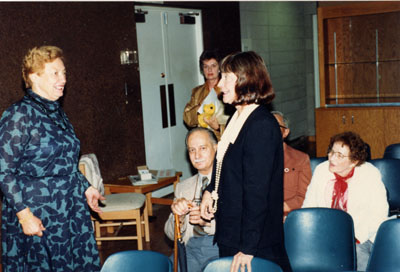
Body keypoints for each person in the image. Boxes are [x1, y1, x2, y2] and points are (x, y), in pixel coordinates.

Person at [0, 46, 104, 271]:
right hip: (39, 214)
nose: (63, 79)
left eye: (64, 72)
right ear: (33, 76)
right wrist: (24, 215)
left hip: (70, 210)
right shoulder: (20, 114)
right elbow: (4, 171)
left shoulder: (57, 112)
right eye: (55, 73)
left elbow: (64, 163)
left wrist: (85, 187)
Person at [200, 51, 292, 272]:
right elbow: (224, 164)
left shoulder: (261, 124)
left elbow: (257, 191)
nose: (219, 84)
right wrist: (209, 190)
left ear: (245, 80)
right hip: (233, 230)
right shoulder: (237, 117)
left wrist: (249, 247)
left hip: (254, 241)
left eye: (226, 78)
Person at [302, 131, 388, 271]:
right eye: (331, 151)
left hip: (360, 236)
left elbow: (379, 214)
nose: (331, 158)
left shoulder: (370, 174)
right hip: (325, 233)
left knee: (358, 261)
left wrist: (354, 238)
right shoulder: (321, 170)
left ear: (354, 161)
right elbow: (309, 206)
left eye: (340, 155)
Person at [164, 127, 219, 272]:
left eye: (203, 148)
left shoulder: (232, 182)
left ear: (216, 147)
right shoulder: (183, 187)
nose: (197, 155)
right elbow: (170, 234)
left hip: (220, 248)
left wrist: (207, 222)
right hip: (191, 249)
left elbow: (241, 225)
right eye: (192, 150)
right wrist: (179, 218)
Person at [272, 111, 312, 218]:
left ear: (285, 132)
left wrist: (280, 208)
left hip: (288, 215)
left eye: (275, 125)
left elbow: (304, 196)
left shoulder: (300, 159)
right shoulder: (252, 158)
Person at [183, 50, 229, 139]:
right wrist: (199, 108)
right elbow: (187, 119)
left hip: (222, 140)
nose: (209, 70)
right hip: (202, 139)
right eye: (205, 66)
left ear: (219, 68)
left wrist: (218, 128)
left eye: (213, 66)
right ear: (202, 70)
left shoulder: (227, 90)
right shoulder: (197, 92)